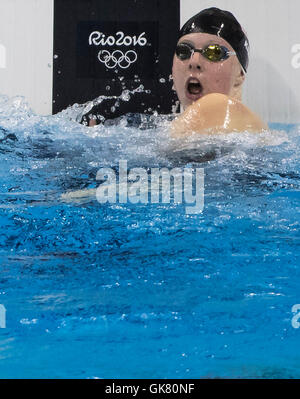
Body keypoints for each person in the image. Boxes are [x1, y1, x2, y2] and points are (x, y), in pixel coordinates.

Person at [170, 7, 267, 136]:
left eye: (214, 52)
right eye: (184, 51)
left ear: (240, 73)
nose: (194, 62)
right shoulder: (250, 128)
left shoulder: (217, 104)